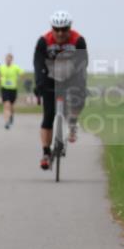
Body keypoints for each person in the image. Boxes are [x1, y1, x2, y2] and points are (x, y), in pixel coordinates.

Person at [33, 11, 88, 169]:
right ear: (52, 28)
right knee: (48, 116)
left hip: (71, 75)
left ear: (69, 28)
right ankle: (45, 153)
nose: (60, 33)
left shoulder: (78, 40)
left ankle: (72, 123)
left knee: (80, 95)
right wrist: (39, 84)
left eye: (64, 29)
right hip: (50, 77)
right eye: (56, 29)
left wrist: (79, 85)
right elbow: (38, 64)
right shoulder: (44, 41)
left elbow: (82, 63)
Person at [0, 53, 23, 129]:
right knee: (6, 105)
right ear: (5, 59)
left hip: (13, 89)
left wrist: (19, 78)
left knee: (11, 106)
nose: (8, 60)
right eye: (7, 58)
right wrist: (0, 79)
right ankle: (7, 122)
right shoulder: (1, 67)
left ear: (12, 59)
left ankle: (11, 116)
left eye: (10, 59)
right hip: (4, 88)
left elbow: (21, 73)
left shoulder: (16, 67)